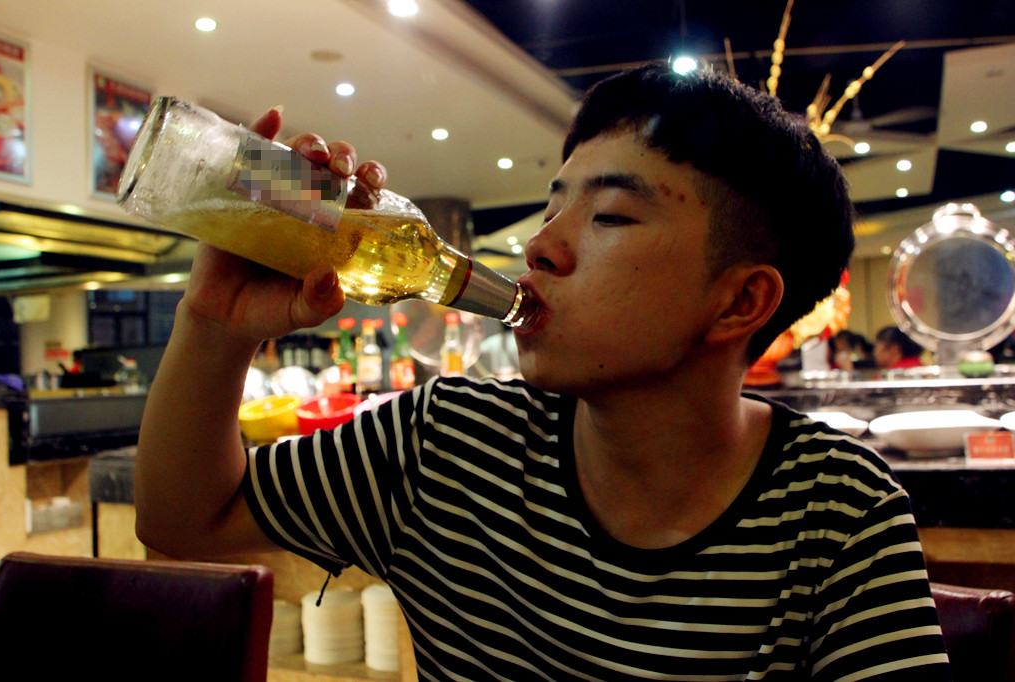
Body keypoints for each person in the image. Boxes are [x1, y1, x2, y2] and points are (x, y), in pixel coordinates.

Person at [135, 65, 951, 679]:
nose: (540, 245)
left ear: (741, 302)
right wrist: (214, 325)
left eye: (612, 215)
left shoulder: (838, 510)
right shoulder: (446, 442)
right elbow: (182, 523)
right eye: (554, 204)